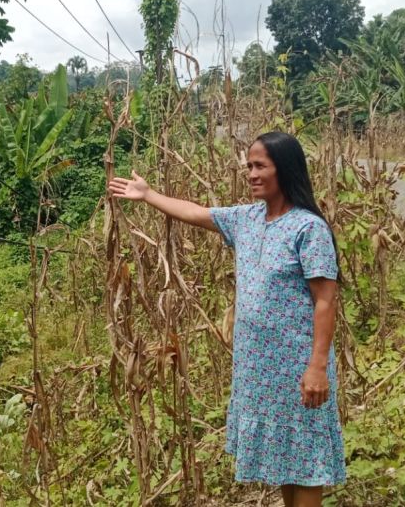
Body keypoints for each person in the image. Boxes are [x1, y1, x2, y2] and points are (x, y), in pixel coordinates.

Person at [107, 131, 346, 507]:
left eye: (259, 166)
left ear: (283, 169)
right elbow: (196, 212)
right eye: (248, 166)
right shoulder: (246, 219)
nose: (250, 173)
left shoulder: (308, 228)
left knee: (307, 459)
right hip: (258, 367)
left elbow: (325, 301)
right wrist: (148, 195)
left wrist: (317, 366)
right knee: (283, 457)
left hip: (298, 365)